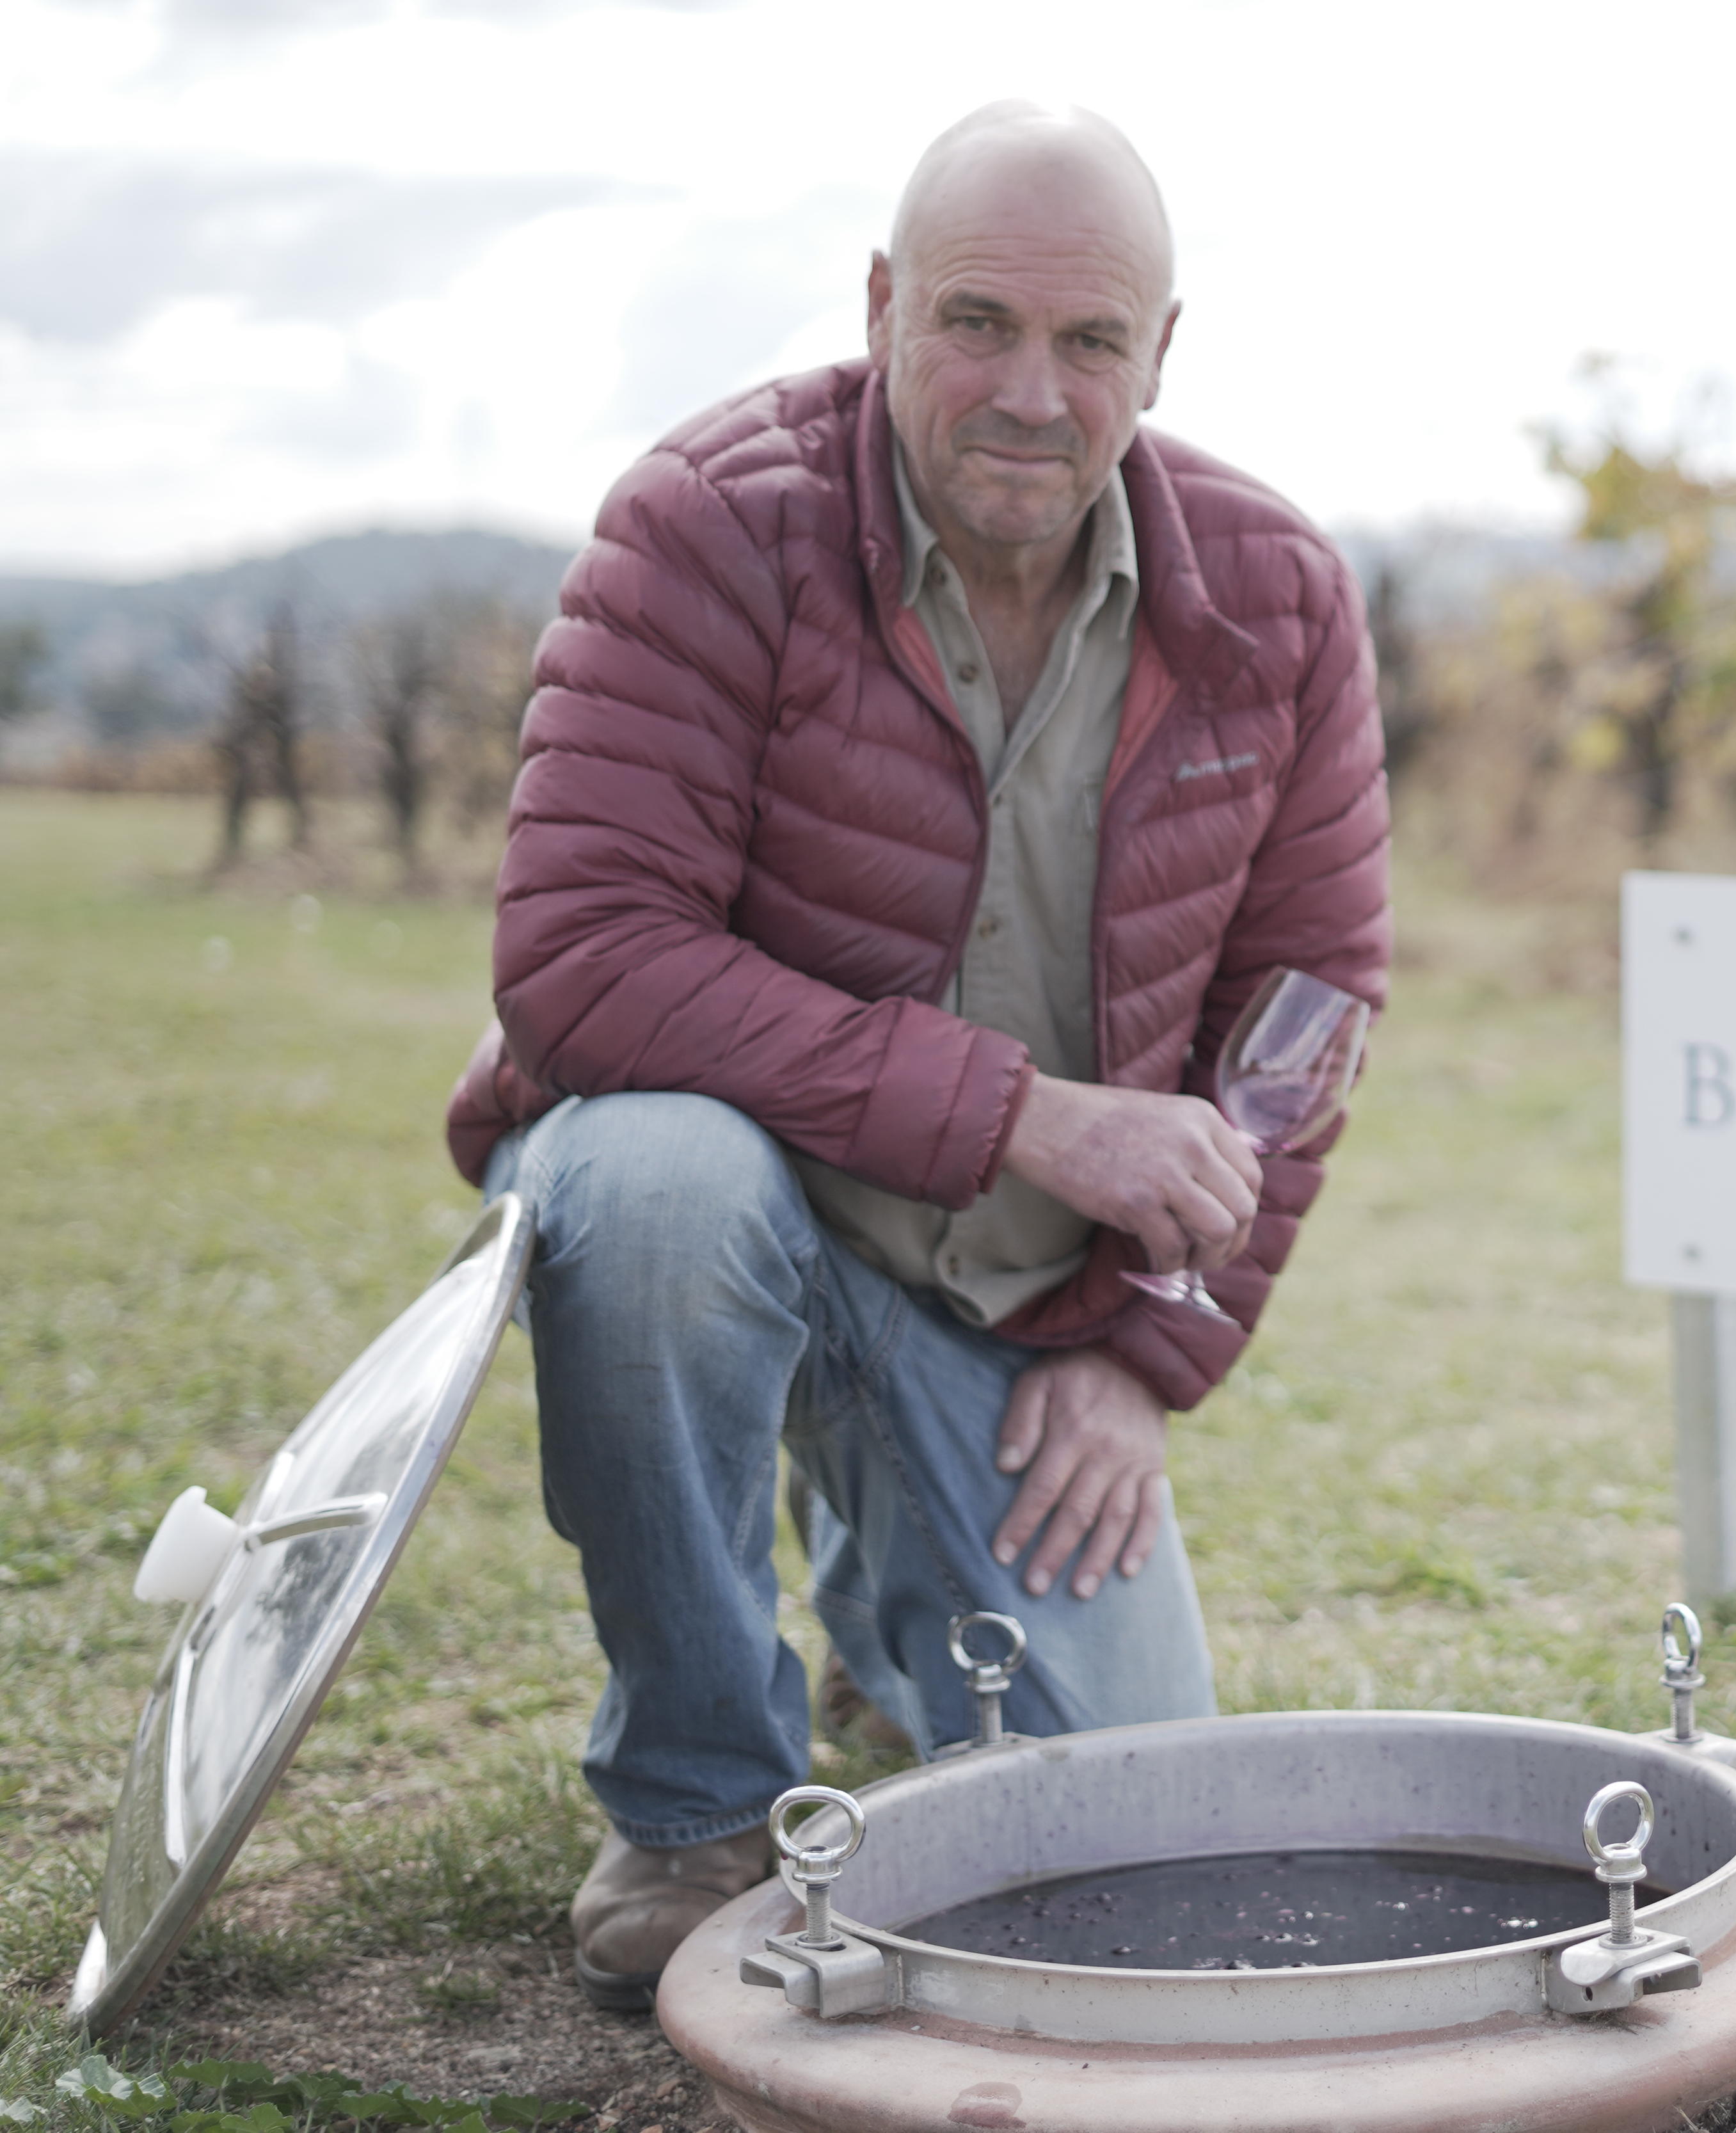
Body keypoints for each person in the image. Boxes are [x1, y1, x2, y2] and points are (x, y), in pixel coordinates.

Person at [442, 101, 1390, 2011]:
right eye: (976, 323)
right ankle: (700, 1796)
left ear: (1160, 352)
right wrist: (1038, 1118)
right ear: (881, 306)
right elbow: (579, 961)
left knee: (1136, 1840)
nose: (1030, 393)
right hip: (746, 1220)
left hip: (1021, 1304)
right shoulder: (709, 524)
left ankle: (898, 1597)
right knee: (644, 1184)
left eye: (1089, 342)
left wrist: (1149, 1347)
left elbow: (1309, 1010)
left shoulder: (1275, 595)